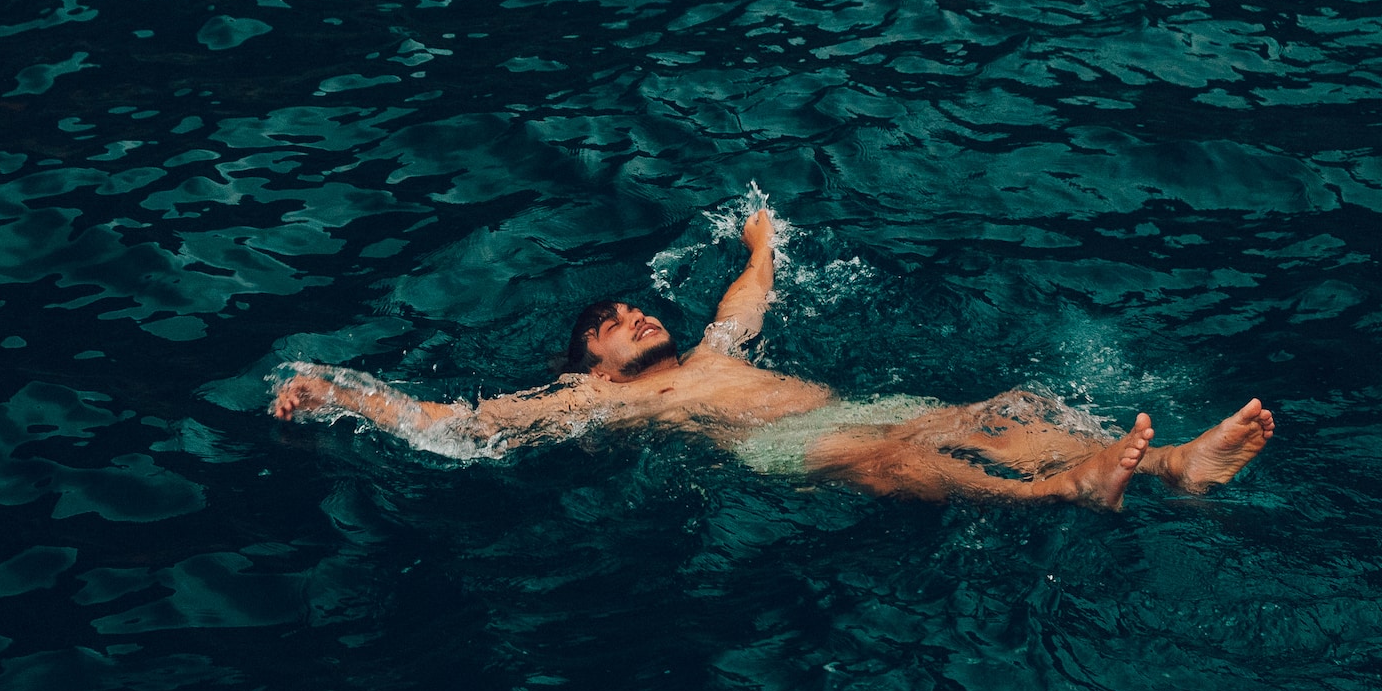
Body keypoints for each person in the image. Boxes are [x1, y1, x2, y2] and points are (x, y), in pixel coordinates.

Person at [271, 210, 1273, 509]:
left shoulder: (705, 346)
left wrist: (758, 241)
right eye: (611, 321)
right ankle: (1059, 491)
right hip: (784, 447)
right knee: (892, 464)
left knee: (999, 411)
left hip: (865, 403)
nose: (633, 318)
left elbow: (743, 302)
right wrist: (336, 393)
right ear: (585, 354)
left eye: (634, 310)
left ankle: (1178, 463)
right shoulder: (594, 400)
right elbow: (465, 426)